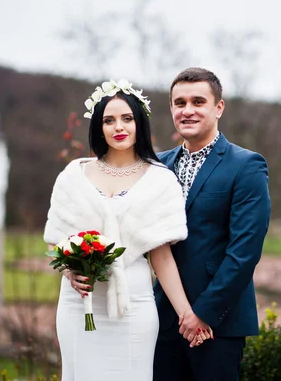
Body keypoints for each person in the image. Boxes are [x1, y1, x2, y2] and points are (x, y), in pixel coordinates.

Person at [44, 79, 210, 381]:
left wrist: (187, 314)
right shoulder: (73, 175)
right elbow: (60, 245)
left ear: (139, 123)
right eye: (109, 120)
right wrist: (70, 272)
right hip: (79, 305)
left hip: (134, 304)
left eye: (127, 118)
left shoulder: (160, 180)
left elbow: (162, 258)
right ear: (98, 125)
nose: (118, 127)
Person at [154, 68, 271, 381]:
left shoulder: (246, 165)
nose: (187, 110)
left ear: (218, 108)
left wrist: (203, 313)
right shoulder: (156, 165)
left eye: (198, 101)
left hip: (218, 323)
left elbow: (244, 252)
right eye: (179, 103)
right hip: (162, 318)